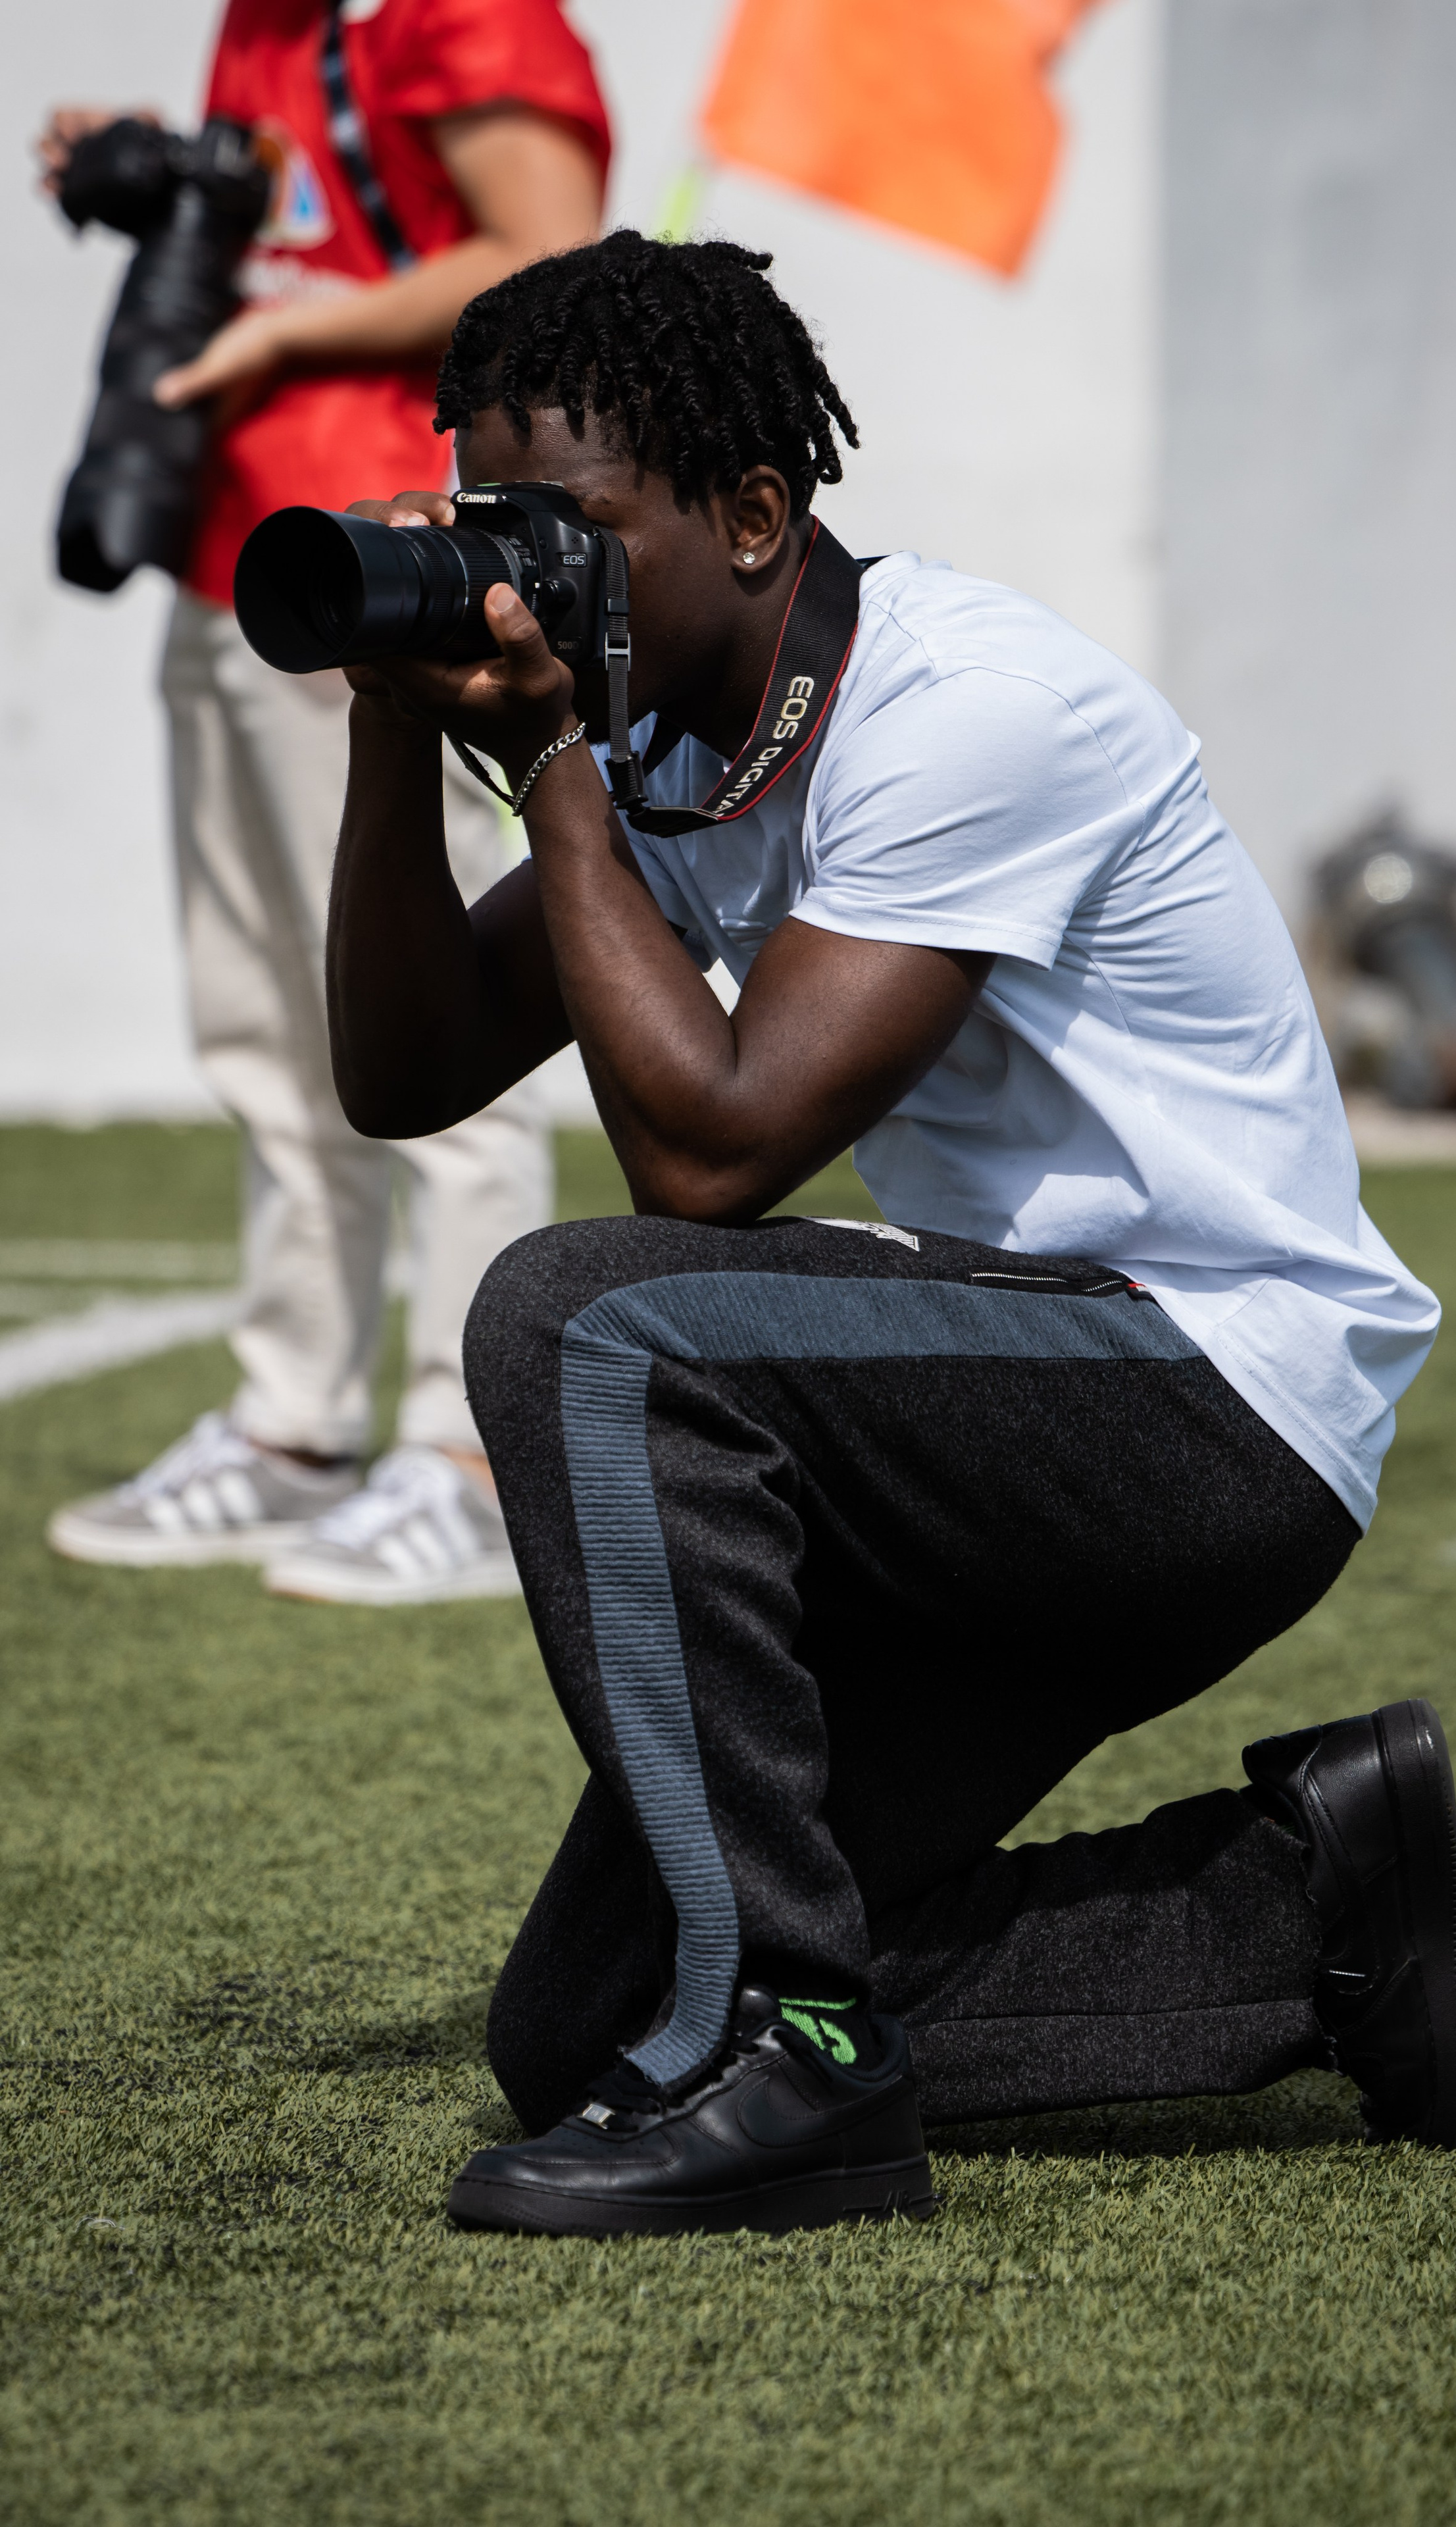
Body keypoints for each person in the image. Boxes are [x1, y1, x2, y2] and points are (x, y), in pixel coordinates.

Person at [324, 232, 1456, 2238]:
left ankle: (794, 2056)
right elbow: (405, 1067)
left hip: (1210, 1390)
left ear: (756, 513)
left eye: (570, 532)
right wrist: (400, 729)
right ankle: (1314, 1906)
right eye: (490, 530)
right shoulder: (679, 730)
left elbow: (716, 1161)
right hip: (1005, 1402)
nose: (525, 580)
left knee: (593, 1317)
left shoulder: (966, 709)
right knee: (576, 2019)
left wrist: (560, 767)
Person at [39, 0, 609, 1605]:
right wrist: (169, 181)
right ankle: (292, 1430)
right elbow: (297, 223)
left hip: (382, 543)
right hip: (235, 550)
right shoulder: (270, 18)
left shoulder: (456, 11)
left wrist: (287, 338)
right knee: (264, 1026)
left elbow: (546, 258)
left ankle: (470, 1453)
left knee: (438, 1017)